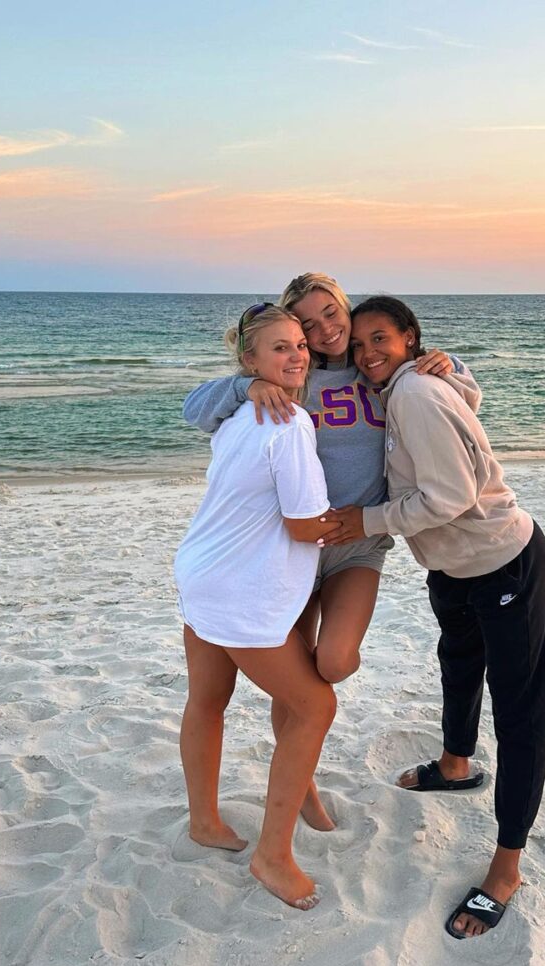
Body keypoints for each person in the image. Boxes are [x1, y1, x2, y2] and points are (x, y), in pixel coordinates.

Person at [182, 274, 478, 831]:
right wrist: (244, 388)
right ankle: (303, 788)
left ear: (347, 309)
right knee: (301, 683)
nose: (322, 330)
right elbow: (195, 408)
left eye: (329, 314)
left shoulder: (381, 371)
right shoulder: (295, 377)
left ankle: (296, 774)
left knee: (333, 662)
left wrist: (452, 365)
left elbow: (458, 400)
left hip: (359, 541)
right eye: (307, 324)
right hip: (294, 549)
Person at [321, 296, 545, 940]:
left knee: (519, 711)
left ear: (409, 340)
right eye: (360, 342)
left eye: (381, 340)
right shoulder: (414, 385)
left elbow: (449, 497)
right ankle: (456, 766)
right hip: (453, 569)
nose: (367, 353)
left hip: (502, 561)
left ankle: (506, 867)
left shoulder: (415, 394)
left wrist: (365, 522)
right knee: (458, 667)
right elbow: (466, 411)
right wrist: (455, 371)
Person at [174, 303, 336, 911]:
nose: (297, 355)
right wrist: (357, 525)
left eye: (300, 345)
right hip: (238, 591)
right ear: (250, 361)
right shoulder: (289, 421)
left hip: (200, 573)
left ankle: (204, 822)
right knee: (316, 705)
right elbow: (302, 525)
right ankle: (272, 855)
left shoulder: (238, 412)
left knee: (208, 701)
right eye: (280, 349)